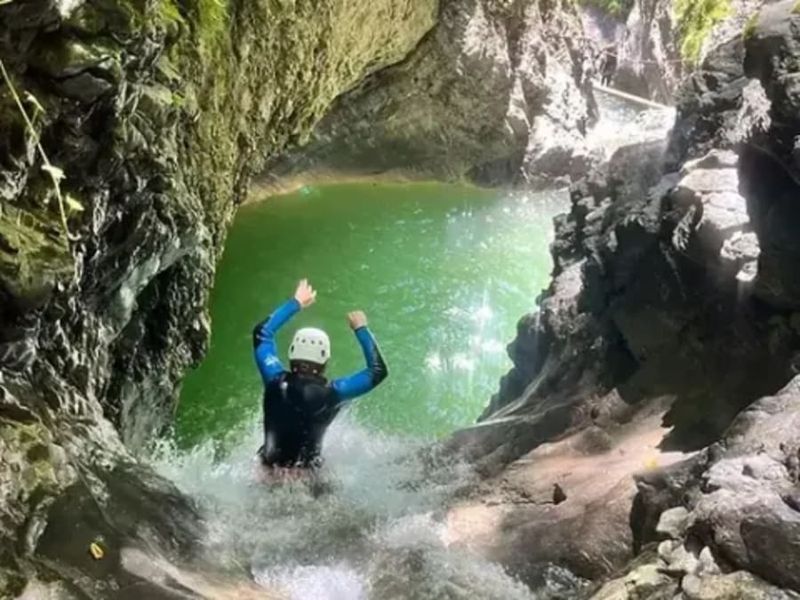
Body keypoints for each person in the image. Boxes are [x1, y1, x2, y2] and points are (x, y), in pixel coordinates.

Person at [252, 279, 388, 481]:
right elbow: (377, 371)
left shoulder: (274, 379)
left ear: (292, 353)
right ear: (325, 360)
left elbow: (262, 334)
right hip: (308, 479)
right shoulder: (334, 392)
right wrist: (361, 328)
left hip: (267, 472)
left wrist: (296, 302)